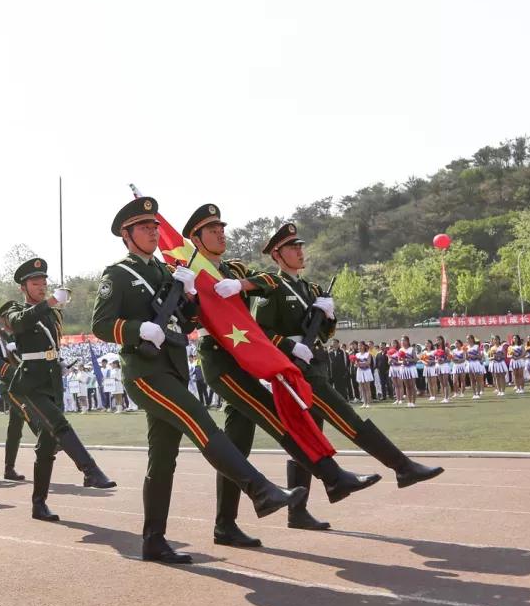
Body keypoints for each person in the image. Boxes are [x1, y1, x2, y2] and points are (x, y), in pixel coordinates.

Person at [93, 198, 306, 563]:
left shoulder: (165, 273)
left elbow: (189, 322)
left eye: (154, 226)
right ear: (126, 236)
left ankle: (154, 541)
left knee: (163, 460)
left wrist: (189, 297)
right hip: (144, 372)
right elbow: (100, 324)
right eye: (144, 227)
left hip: (173, 366)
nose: (153, 232)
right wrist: (134, 328)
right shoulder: (118, 275)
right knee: (201, 421)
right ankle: (260, 490)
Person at [181, 203, 379, 545]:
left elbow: (265, 285)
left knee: (236, 447)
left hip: (247, 359)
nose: (221, 233)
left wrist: (242, 286)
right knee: (277, 420)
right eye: (212, 230)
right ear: (195, 239)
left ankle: (226, 526)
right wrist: (187, 294)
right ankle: (331, 477)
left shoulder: (235, 268)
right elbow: (190, 322)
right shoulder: (189, 271)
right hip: (221, 359)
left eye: (221, 228)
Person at [254, 223, 443, 490]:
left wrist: (329, 316)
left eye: (300, 246)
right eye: (292, 247)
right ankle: (402, 467)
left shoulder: (310, 288)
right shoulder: (272, 288)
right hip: (298, 371)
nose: (299, 251)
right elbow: (258, 331)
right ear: (277, 254)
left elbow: (325, 333)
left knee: (310, 437)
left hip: (317, 364)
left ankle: (299, 509)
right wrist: (289, 346)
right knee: (347, 417)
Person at [7, 257, 116, 522]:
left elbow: (51, 345)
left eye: (44, 282)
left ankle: (38, 504)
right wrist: (51, 302)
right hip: (29, 385)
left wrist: (59, 361)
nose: (41, 286)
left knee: (46, 446)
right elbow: (20, 323)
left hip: (52, 382)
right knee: (60, 424)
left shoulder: (53, 312)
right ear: (23, 287)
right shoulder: (16, 310)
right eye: (35, 283)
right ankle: (90, 470)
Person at [0, 301, 36, 481]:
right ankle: (49, 441)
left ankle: (9, 469)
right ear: (3, 320)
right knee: (28, 412)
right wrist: (15, 372)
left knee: (15, 429)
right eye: (7, 317)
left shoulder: (21, 336)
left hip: (24, 385)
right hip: (9, 385)